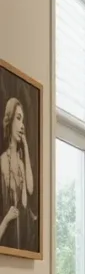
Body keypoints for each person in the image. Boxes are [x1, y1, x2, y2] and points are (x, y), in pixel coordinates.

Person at [0, 97, 36, 250]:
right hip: (8, 238)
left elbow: (30, 189)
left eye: (23, 121)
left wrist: (26, 147)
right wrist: (7, 219)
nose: (22, 126)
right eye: (18, 118)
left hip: (23, 236)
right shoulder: (2, 161)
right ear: (10, 120)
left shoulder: (22, 164)